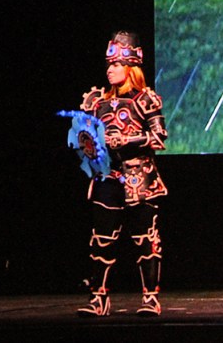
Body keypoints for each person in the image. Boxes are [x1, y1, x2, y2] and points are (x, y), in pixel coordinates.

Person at [75, 30, 168, 317]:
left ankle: (150, 298)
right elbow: (83, 140)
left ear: (130, 67)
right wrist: (94, 144)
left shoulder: (145, 100)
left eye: (116, 65)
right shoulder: (96, 101)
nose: (110, 70)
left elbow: (159, 137)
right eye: (109, 65)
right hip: (108, 179)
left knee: (145, 239)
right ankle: (98, 298)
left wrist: (126, 140)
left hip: (140, 179)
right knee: (101, 239)